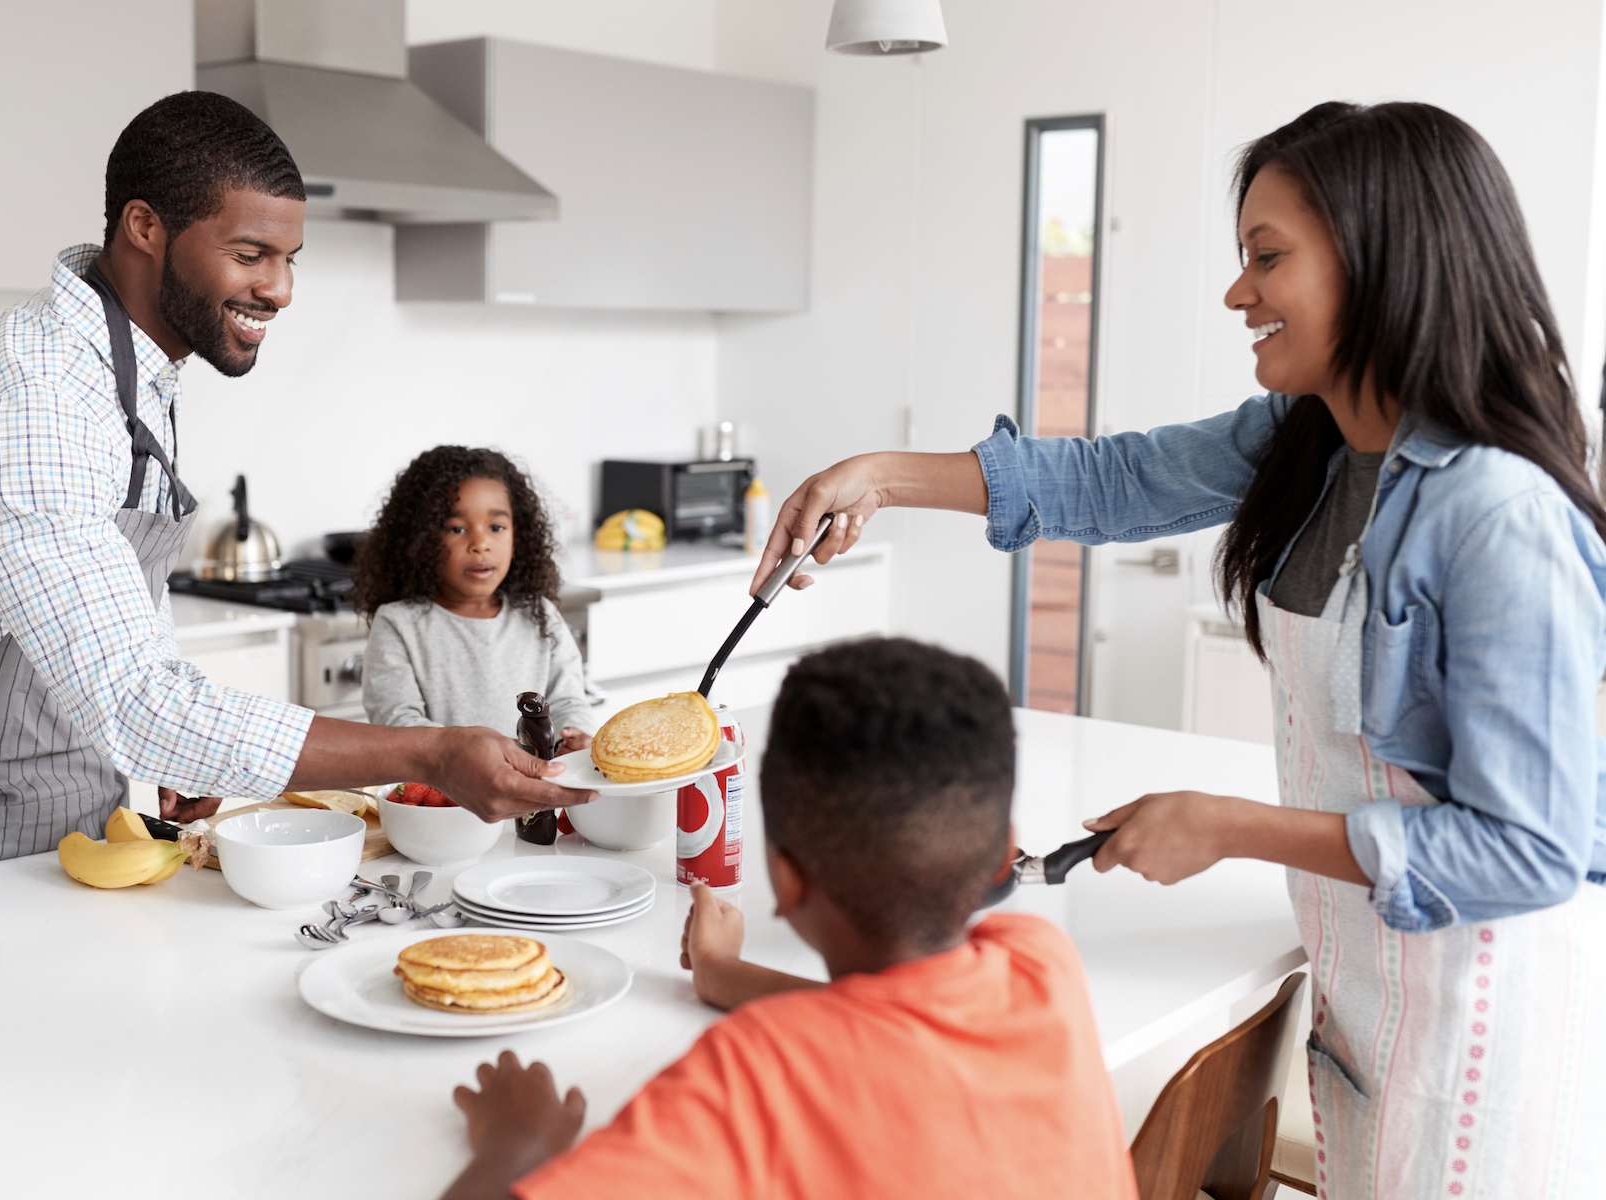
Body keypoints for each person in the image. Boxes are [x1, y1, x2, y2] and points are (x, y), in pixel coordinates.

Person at [756, 101, 1606, 1195]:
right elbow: (1111, 481)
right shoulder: (1314, 445)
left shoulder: (1499, 514)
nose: (1237, 292)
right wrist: (877, 473)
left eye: (1267, 257)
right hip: (1360, 981)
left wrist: (1228, 826)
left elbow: (1530, 851)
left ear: (1381, 258)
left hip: (1476, 1019)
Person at [0, 92, 588, 898]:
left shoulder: (135, 370)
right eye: (251, 254)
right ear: (146, 228)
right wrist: (429, 752)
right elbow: (136, 700)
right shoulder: (33, 396)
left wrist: (180, 754)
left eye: (290, 259)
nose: (280, 289)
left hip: (75, 817)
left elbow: (119, 610)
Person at [433, 638, 1137, 1200]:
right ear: (1002, 862)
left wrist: (514, 1146)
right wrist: (724, 973)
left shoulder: (754, 1072)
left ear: (785, 876)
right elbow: (904, 1024)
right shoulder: (1043, 962)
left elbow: (862, 1030)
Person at [355, 446, 594, 750]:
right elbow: (398, 722)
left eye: (496, 527)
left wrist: (576, 737)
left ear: (516, 535)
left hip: (541, 791)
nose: (480, 544)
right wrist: (488, 752)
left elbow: (569, 701)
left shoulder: (539, 614)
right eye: (457, 528)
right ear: (421, 539)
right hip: (445, 796)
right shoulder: (398, 624)